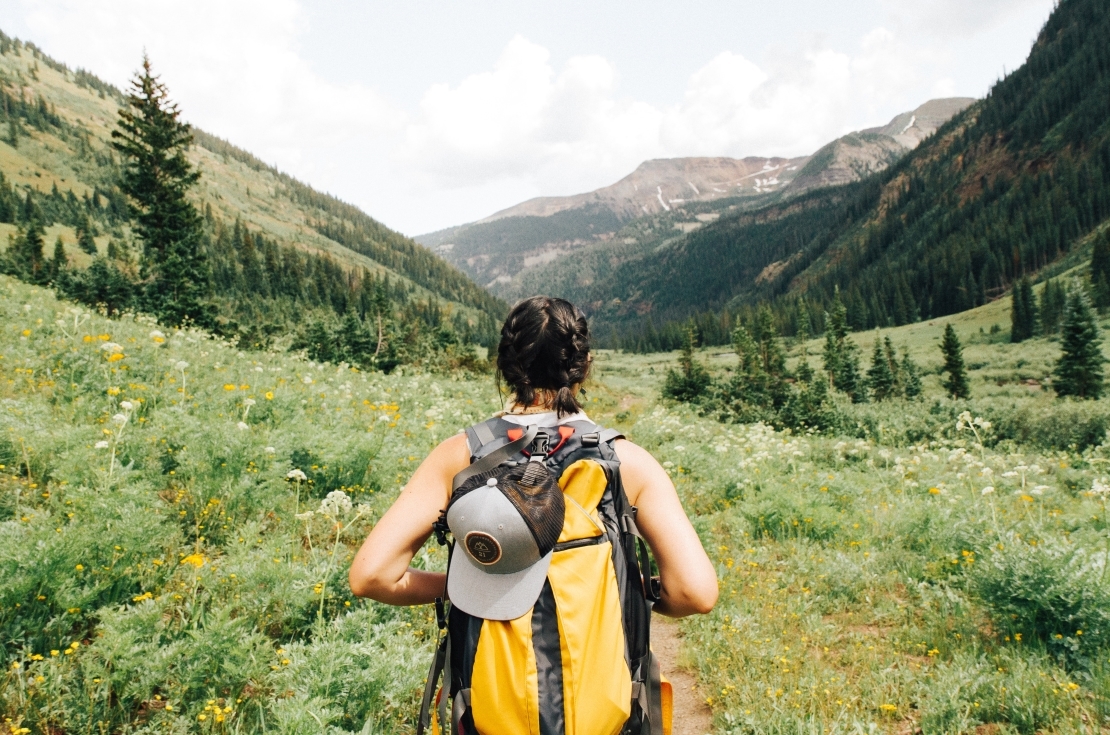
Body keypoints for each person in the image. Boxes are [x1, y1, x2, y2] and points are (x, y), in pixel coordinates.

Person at [349, 295, 717, 732]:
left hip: (492, 715)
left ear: (505, 364)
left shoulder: (460, 456)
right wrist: (634, 590)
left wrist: (463, 586)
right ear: (584, 365)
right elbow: (696, 593)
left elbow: (371, 576)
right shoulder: (626, 462)